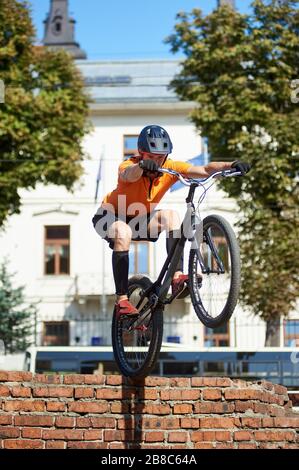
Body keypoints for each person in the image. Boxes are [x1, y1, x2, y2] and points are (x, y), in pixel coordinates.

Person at [92, 125, 250, 317]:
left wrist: (231, 165)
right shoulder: (128, 165)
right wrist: (142, 166)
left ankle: (177, 277)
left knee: (171, 216)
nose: (158, 161)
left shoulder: (170, 167)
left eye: (161, 157)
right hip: (110, 216)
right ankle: (122, 300)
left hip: (140, 218)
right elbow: (129, 174)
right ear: (141, 153)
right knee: (123, 232)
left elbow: (204, 168)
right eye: (152, 156)